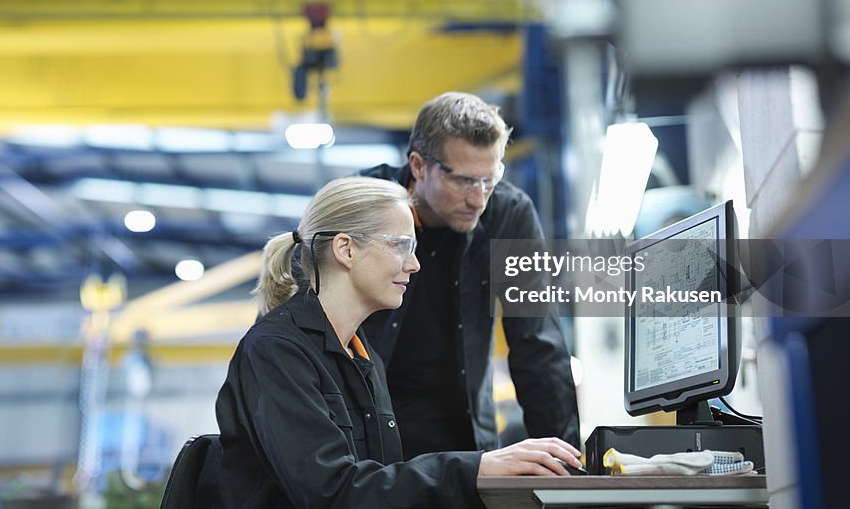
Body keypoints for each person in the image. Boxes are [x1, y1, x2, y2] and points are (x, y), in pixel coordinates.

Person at [213, 176, 582, 508]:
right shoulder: (277, 351)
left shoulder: (360, 354)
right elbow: (333, 493)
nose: (415, 264)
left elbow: (379, 486)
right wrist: (477, 467)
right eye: (401, 246)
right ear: (346, 249)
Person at [361, 91, 580, 459]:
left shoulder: (509, 215)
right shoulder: (362, 206)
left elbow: (538, 347)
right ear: (418, 166)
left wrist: (567, 465)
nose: (479, 199)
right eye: (463, 181)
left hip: (462, 445)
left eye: (489, 179)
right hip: (367, 441)